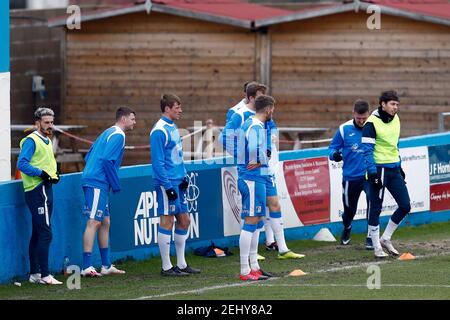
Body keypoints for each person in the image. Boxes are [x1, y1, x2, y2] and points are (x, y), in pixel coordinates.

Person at [80, 106, 136, 276]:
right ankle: (86, 267)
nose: (135, 122)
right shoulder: (119, 134)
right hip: (98, 182)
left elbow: (89, 155)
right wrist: (115, 183)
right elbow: (106, 160)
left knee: (105, 222)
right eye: (133, 119)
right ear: (124, 119)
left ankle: (105, 265)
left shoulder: (108, 132)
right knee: (94, 222)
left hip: (95, 180)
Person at [150, 93, 201, 276]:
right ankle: (166, 267)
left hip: (178, 181)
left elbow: (177, 156)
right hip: (167, 183)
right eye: (177, 107)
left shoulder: (173, 127)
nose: (181, 110)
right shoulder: (159, 130)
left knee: (184, 220)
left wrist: (184, 175)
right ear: (167, 109)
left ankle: (181, 263)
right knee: (168, 220)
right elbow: (158, 163)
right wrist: (168, 186)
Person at [362, 90, 410, 258]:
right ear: (383, 104)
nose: (395, 108)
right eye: (392, 104)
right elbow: (366, 151)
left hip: (394, 168)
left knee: (405, 205)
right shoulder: (371, 123)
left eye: (397, 105)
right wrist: (373, 174)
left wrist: (400, 165)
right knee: (375, 208)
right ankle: (376, 247)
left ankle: (386, 238)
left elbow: (395, 144)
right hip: (379, 169)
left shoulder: (396, 119)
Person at [17, 107, 62, 285]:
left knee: (38, 232)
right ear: (37, 123)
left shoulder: (47, 140)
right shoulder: (32, 140)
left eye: (52, 122)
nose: (50, 125)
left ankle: (35, 273)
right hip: (38, 190)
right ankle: (45, 275)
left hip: (46, 188)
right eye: (46, 122)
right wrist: (41, 174)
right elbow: (22, 163)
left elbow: (46, 162)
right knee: (45, 233)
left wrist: (54, 174)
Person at [238, 95, 277, 281]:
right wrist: (262, 158)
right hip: (252, 178)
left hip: (256, 177)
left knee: (257, 221)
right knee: (251, 221)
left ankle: (254, 266)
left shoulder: (251, 124)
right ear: (268, 109)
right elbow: (253, 157)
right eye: (273, 110)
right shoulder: (255, 126)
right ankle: (245, 270)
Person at [329, 100, 373, 249]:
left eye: (364, 118)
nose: (361, 121)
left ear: (369, 114)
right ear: (353, 113)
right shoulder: (344, 129)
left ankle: (370, 237)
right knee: (349, 210)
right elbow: (331, 149)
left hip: (369, 175)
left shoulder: (374, 128)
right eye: (358, 118)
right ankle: (347, 228)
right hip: (350, 177)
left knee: (373, 204)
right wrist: (335, 154)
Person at [264, 119, 305, 259]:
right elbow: (226, 139)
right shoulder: (242, 115)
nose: (272, 111)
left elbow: (272, 146)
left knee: (273, 206)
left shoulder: (269, 121)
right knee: (255, 212)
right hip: (255, 173)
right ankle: (250, 257)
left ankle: (277, 245)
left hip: (269, 170)